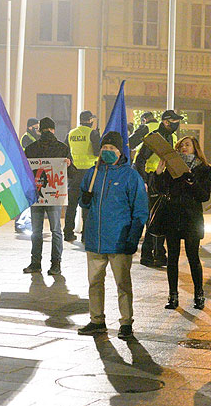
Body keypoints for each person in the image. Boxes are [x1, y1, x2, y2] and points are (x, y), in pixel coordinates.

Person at [77, 131, 148, 339]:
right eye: (104, 148)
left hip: (119, 240)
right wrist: (85, 197)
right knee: (95, 282)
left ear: (120, 151)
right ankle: (96, 320)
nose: (107, 152)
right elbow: (84, 202)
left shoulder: (130, 176)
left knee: (123, 284)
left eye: (111, 149)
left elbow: (141, 210)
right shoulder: (93, 173)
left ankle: (126, 322)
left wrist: (133, 237)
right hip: (95, 239)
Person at [150, 136, 211, 310]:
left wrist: (192, 182)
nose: (184, 148)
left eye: (187, 145)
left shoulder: (204, 170)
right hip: (172, 216)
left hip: (192, 218)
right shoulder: (172, 168)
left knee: (193, 257)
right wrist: (158, 173)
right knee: (172, 257)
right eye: (180, 146)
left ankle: (199, 294)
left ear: (196, 148)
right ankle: (173, 296)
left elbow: (204, 196)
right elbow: (159, 189)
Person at [24, 117, 73, 275]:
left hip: (36, 194)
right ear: (53, 130)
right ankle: (55, 264)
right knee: (56, 230)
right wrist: (69, 164)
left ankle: (35, 262)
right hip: (54, 194)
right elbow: (71, 172)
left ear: (40, 130)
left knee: (36, 230)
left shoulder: (31, 148)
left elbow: (25, 170)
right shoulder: (62, 148)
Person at [134, 109, 183, 267]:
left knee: (161, 217)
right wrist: (145, 181)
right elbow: (140, 160)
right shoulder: (154, 138)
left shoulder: (171, 136)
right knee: (153, 219)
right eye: (174, 121)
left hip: (165, 181)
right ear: (166, 121)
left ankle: (159, 253)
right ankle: (148, 255)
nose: (177, 124)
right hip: (153, 180)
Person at [64, 110, 100, 242]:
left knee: (71, 205)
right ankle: (86, 235)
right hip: (88, 173)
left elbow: (65, 150)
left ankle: (68, 233)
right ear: (90, 121)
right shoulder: (92, 133)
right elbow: (97, 152)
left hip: (73, 173)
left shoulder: (71, 133)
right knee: (87, 205)